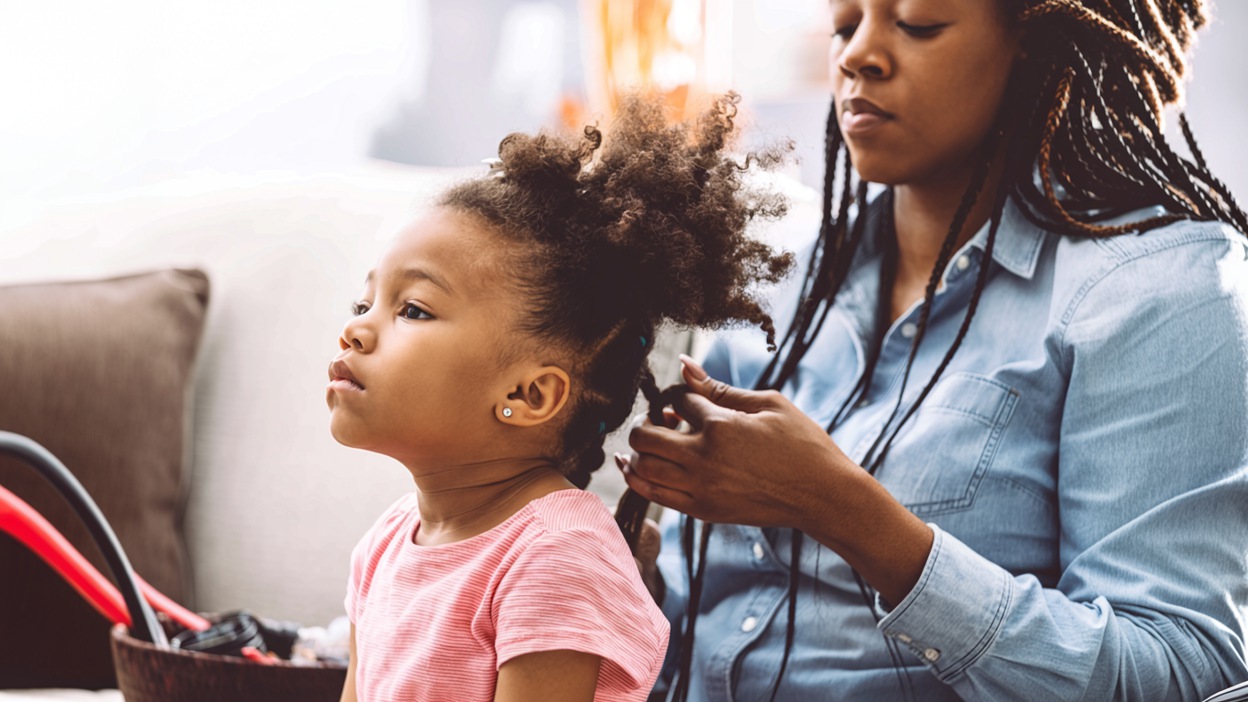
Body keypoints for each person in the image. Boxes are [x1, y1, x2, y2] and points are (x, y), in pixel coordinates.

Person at [618, 0, 1248, 700]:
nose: (858, 55)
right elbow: (709, 607)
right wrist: (636, 593)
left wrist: (846, 513)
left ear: (1035, 40)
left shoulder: (1157, 289)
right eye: (845, 24)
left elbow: (1179, 671)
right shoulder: (789, 285)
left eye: (917, 24)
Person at [330, 93, 793, 702]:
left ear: (529, 394)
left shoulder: (557, 555)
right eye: (364, 303)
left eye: (412, 309)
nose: (356, 329)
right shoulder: (387, 542)